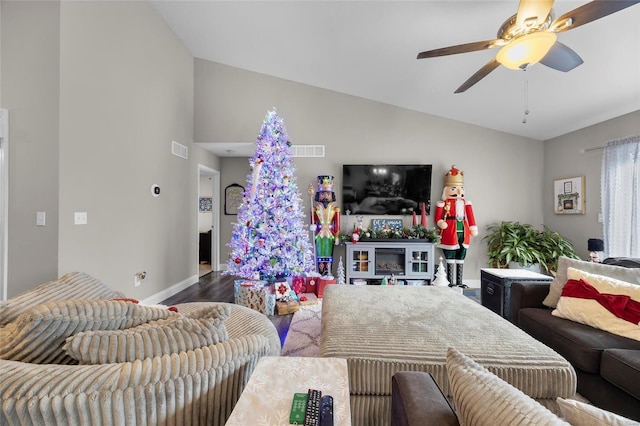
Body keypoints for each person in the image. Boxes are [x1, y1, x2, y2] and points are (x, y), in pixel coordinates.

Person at [434, 165, 477, 287]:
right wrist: (441, 222)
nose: (458, 191)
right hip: (450, 233)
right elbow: (437, 217)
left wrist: (473, 227)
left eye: (460, 188)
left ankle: (459, 282)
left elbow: (471, 216)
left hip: (464, 233)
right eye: (454, 188)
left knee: (461, 256)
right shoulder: (443, 203)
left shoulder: (466, 203)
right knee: (450, 256)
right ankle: (451, 282)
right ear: (446, 190)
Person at [309, 176, 340, 276]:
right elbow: (312, 222)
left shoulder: (335, 209)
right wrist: (312, 226)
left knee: (328, 254)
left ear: (332, 195)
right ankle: (320, 274)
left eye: (328, 194)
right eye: (323, 194)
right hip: (319, 235)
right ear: (319, 195)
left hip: (330, 235)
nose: (325, 196)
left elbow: (337, 224)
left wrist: (337, 236)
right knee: (320, 254)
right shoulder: (315, 208)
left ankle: (328, 274)